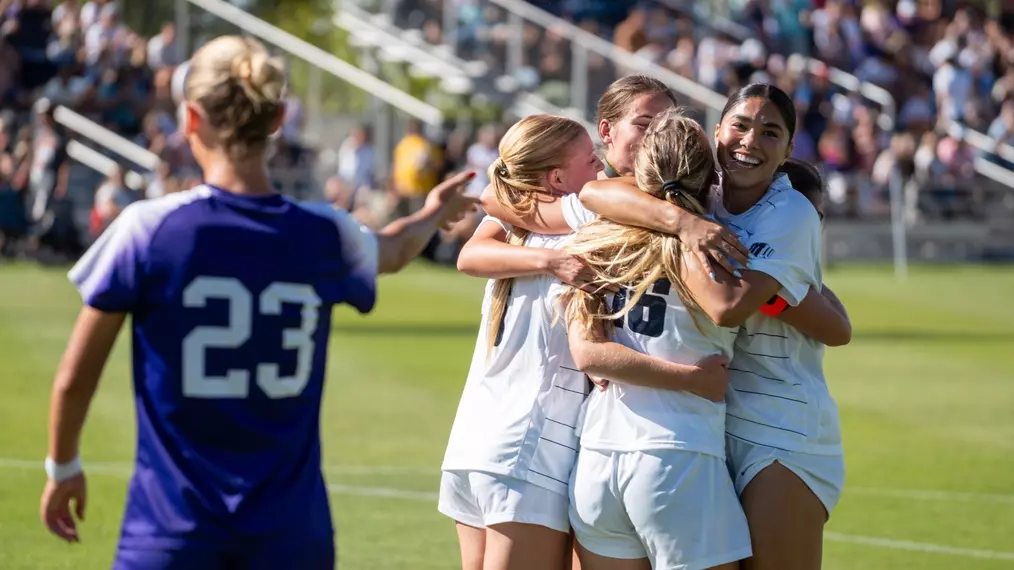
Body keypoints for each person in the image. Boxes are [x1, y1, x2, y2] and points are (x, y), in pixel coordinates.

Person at [39, 34, 478, 569]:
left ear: (191, 120)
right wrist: (433, 213)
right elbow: (393, 249)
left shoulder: (148, 230)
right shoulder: (324, 233)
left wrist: (63, 467)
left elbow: (72, 378)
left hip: (171, 532)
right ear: (277, 120)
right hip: (291, 534)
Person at [574, 84, 850, 570]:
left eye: (771, 133)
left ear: (788, 150)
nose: (750, 141)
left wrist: (781, 294)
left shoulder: (789, 210)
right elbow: (595, 190)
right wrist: (681, 222)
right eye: (740, 126)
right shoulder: (705, 197)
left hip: (780, 423)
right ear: (717, 131)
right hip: (709, 420)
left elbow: (730, 307)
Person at [561, 107, 752, 570]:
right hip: (677, 453)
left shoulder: (599, 241)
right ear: (712, 182)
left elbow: (586, 351)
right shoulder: (720, 248)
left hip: (598, 457)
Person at [439, 114, 606, 570]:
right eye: (591, 160)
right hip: (527, 450)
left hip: (474, 444)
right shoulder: (583, 231)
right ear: (557, 178)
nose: (601, 169)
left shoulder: (515, 232)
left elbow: (473, 246)